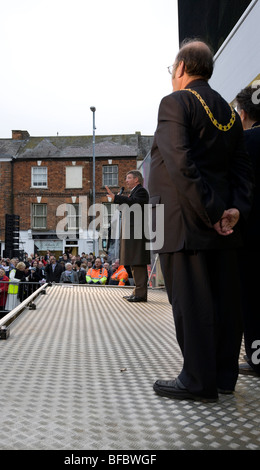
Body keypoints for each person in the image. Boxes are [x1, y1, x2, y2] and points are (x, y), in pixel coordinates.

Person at [148, 39, 254, 402]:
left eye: (171, 70)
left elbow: (180, 163)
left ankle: (197, 380)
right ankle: (224, 376)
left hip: (183, 223)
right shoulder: (227, 110)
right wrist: (233, 211)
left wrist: (208, 213)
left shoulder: (174, 102)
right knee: (225, 302)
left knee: (191, 305)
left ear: (181, 68)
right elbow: (242, 170)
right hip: (224, 224)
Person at [235, 85, 260, 376]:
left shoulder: (245, 142)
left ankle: (256, 359)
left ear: (243, 113)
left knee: (252, 300)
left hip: (252, 235)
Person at [106, 170, 150, 302]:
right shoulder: (134, 192)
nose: (126, 180)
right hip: (132, 233)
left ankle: (140, 294)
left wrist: (118, 198)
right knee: (133, 262)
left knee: (138, 262)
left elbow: (134, 203)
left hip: (137, 233)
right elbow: (129, 206)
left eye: (129, 178)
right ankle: (137, 291)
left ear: (137, 180)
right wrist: (119, 202)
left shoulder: (141, 191)